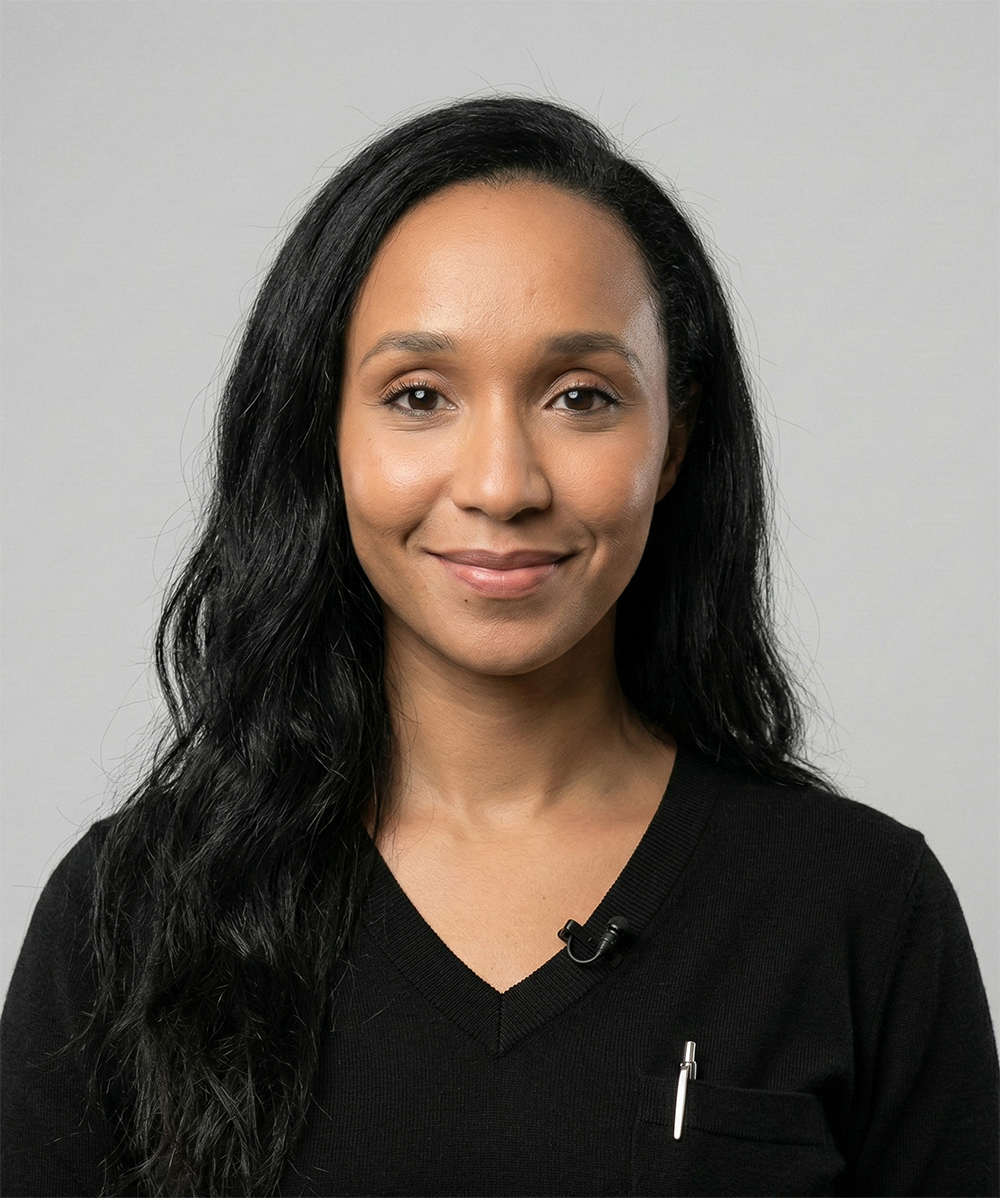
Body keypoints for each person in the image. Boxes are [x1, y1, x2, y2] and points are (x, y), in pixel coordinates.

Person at [1, 95, 996, 1198]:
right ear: (323, 433)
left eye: (581, 396)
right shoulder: (129, 911)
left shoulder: (860, 908)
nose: (500, 484)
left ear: (674, 440)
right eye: (418, 395)